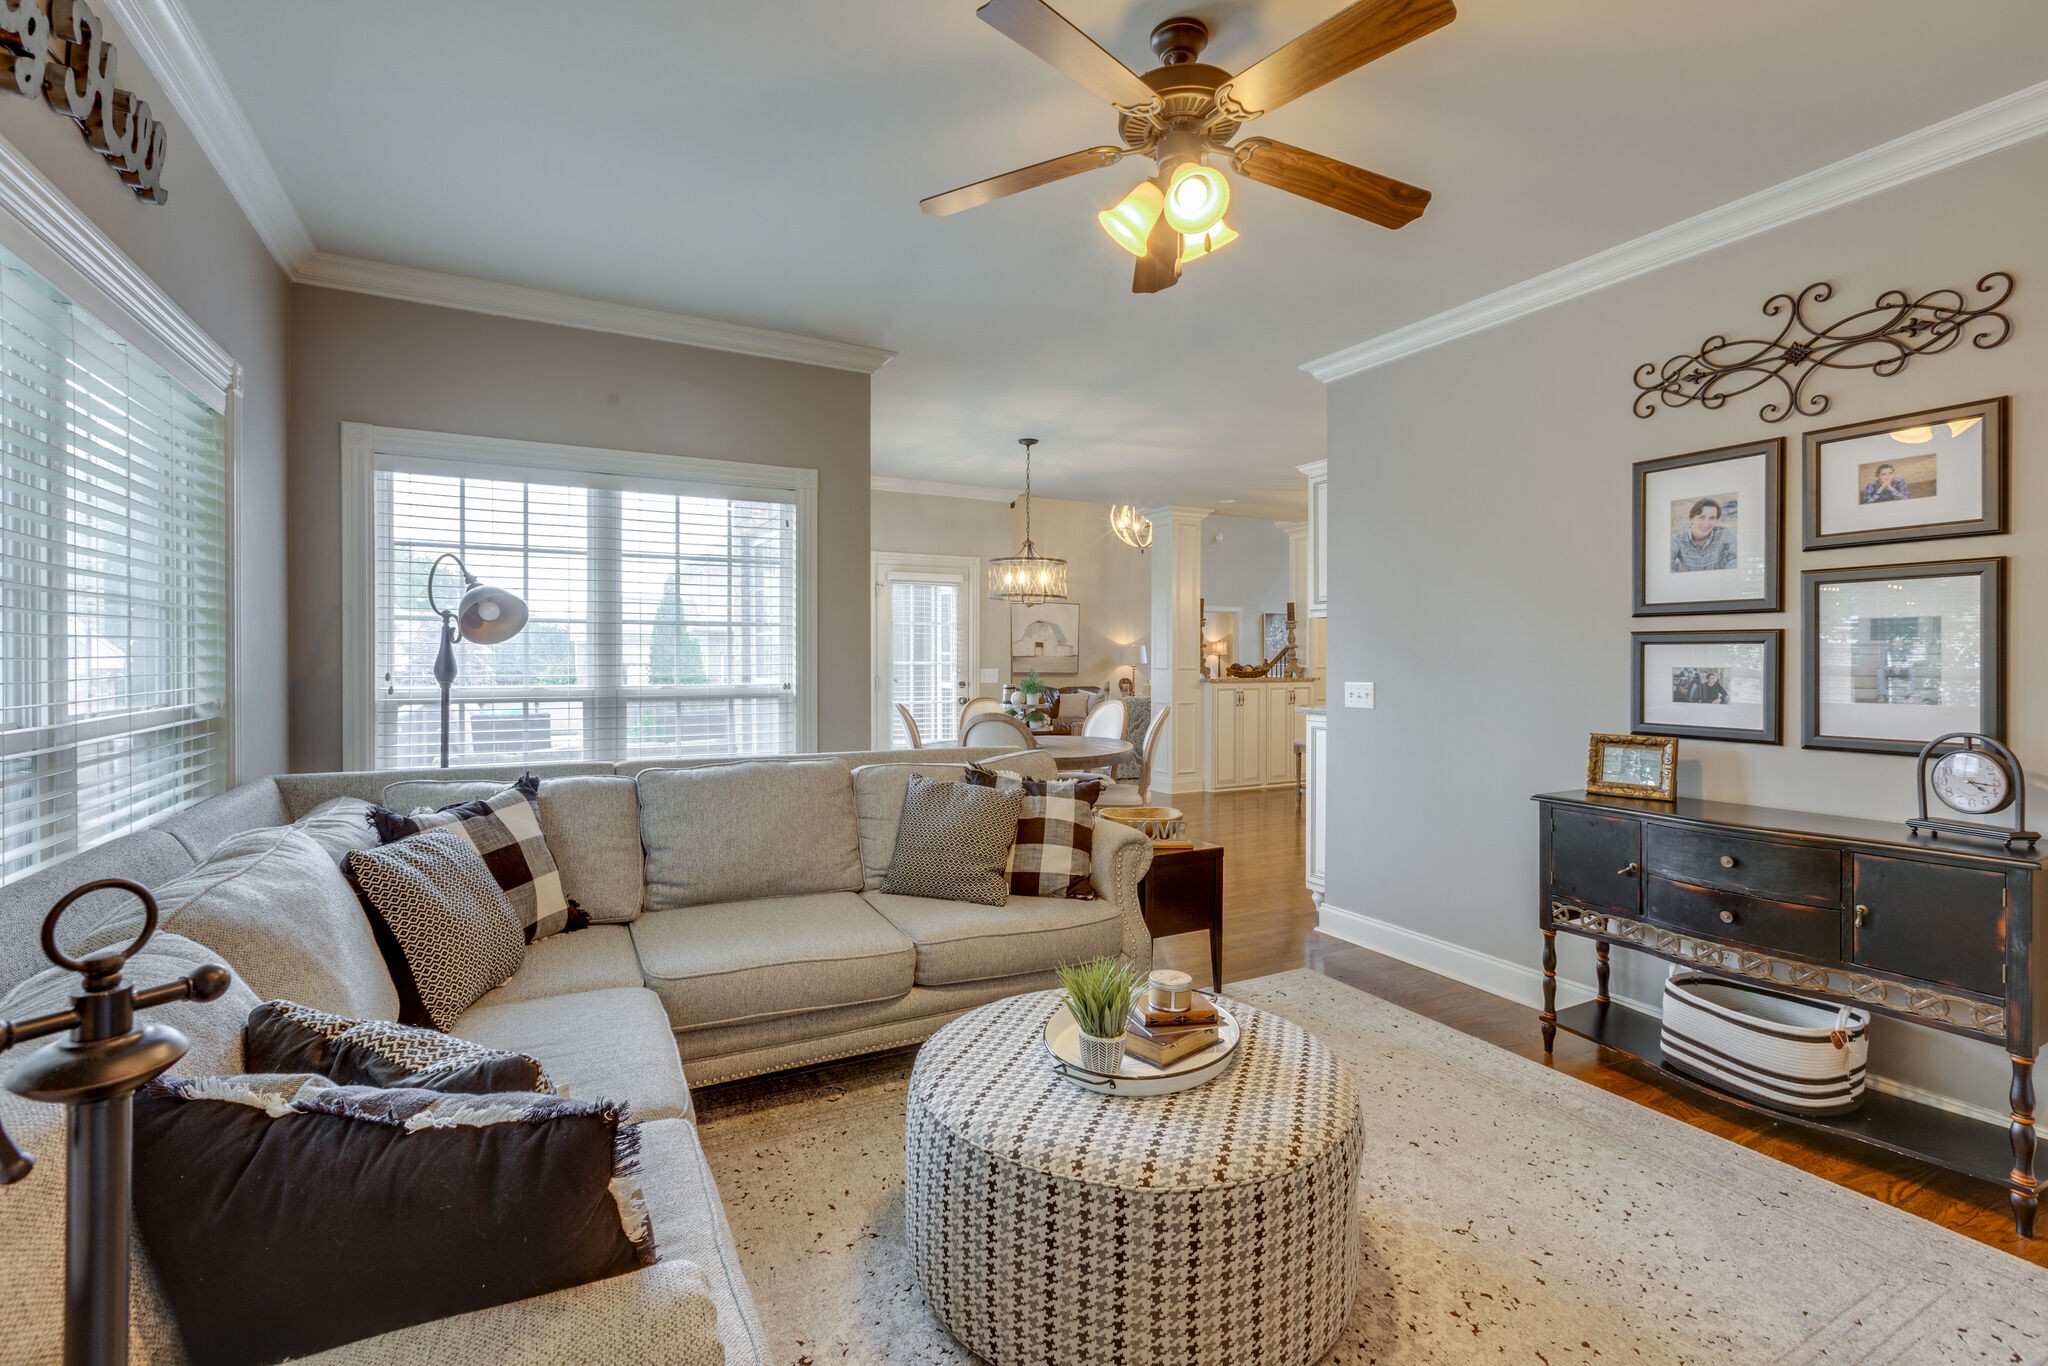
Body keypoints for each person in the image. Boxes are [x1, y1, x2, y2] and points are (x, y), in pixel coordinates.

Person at [1670, 497, 1736, 572]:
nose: (1706, 524)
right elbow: (1668, 565)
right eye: (1702, 517)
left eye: (1712, 518)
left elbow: (1736, 559)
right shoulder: (1677, 539)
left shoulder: (1725, 533)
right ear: (1691, 518)